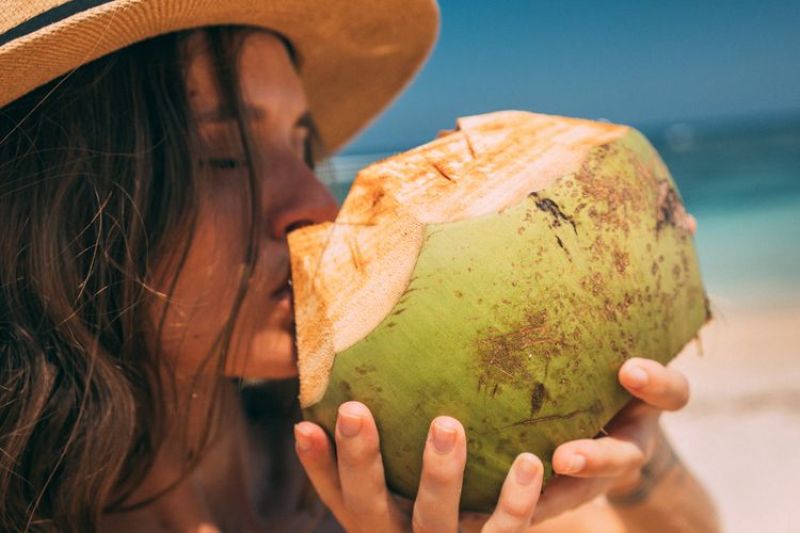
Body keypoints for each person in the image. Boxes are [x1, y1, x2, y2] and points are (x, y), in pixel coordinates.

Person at [0, 1, 719, 531]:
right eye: (223, 154)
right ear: (53, 212)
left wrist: (630, 453)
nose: (318, 202)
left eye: (305, 148)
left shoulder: (399, 455)